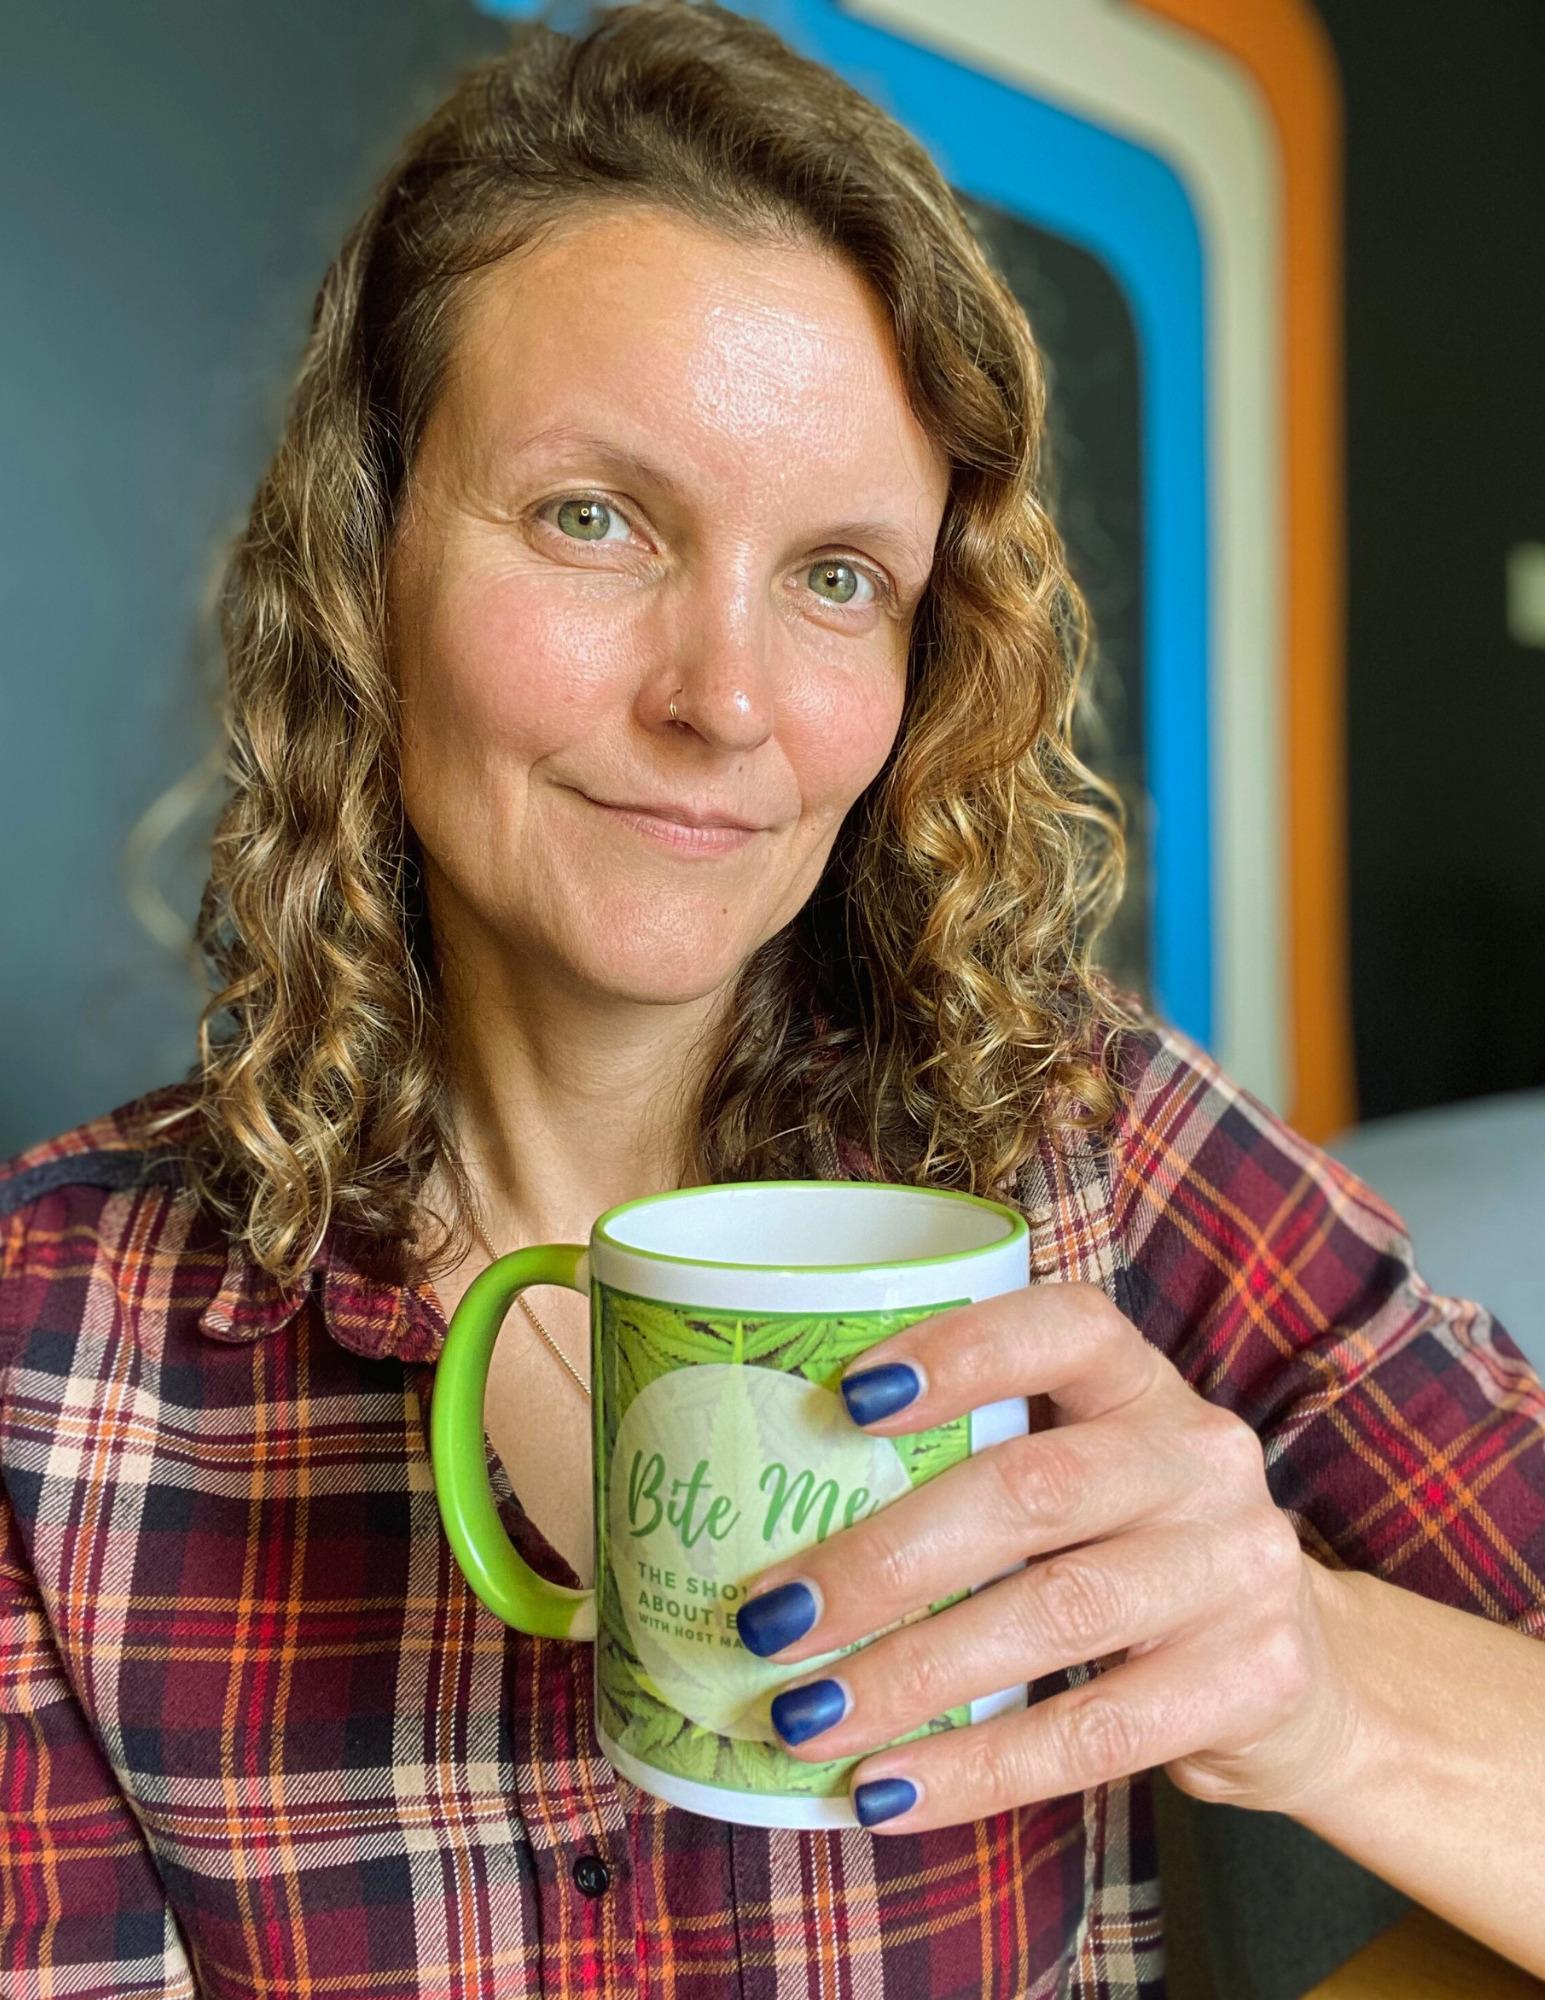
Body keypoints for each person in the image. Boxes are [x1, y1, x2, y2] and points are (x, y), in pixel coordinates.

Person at [2, 2, 1542, 1993]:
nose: (720, 700)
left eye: (834, 575)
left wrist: (1321, 1682)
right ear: (364, 550)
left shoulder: (1084, 1139)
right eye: (595, 519)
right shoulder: (55, 1365)